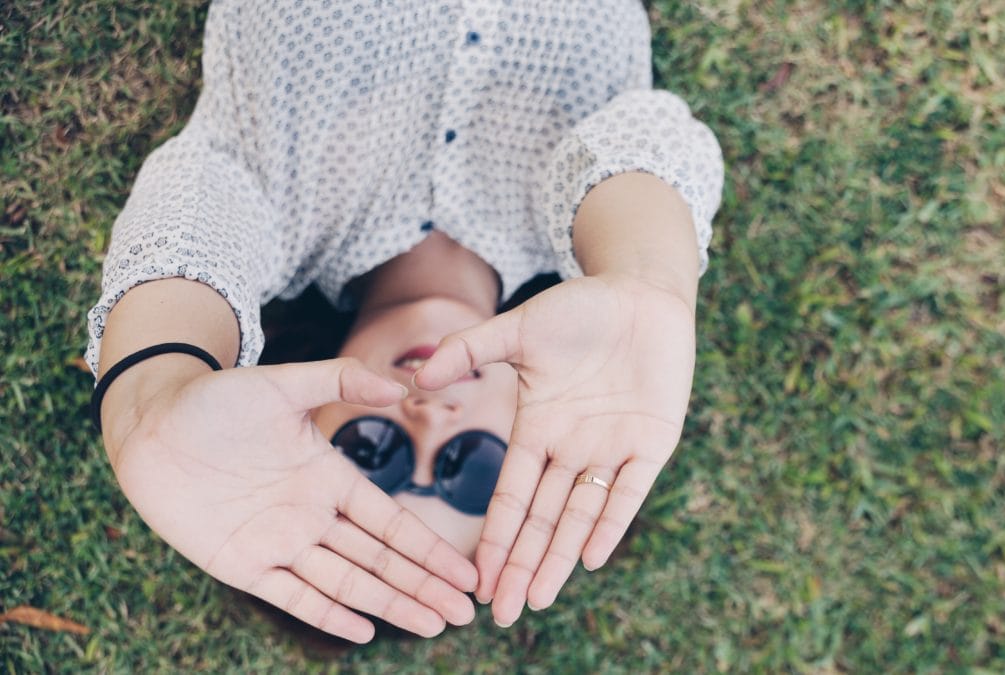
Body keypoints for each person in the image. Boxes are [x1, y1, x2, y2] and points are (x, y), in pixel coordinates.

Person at [87, 0, 724, 644]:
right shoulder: (592, 232)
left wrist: (149, 398)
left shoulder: (271, 217)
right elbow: (644, 138)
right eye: (473, 466)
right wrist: (648, 277)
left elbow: (193, 220)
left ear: (300, 423)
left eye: (370, 455)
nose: (427, 418)